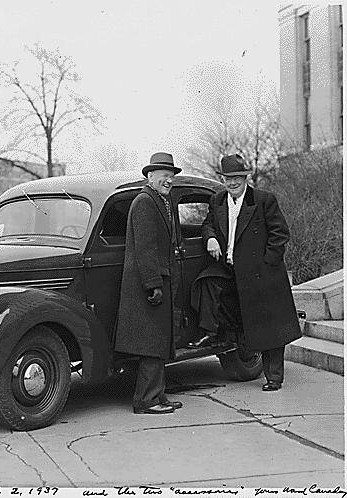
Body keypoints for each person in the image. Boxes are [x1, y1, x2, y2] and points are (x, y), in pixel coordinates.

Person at [188, 154, 302, 391]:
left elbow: (280, 234)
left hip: (261, 273)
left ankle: (274, 377)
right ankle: (211, 333)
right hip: (230, 270)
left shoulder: (263, 200)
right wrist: (210, 238)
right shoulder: (218, 200)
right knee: (207, 282)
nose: (232, 183)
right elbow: (208, 223)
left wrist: (267, 264)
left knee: (269, 327)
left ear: (245, 178)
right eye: (228, 179)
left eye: (237, 178)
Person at [114, 152, 183, 414]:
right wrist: (153, 284)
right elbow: (145, 248)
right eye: (164, 176)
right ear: (150, 176)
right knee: (152, 344)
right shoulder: (145, 202)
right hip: (148, 285)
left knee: (158, 342)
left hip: (154, 281)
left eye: (171, 176)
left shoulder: (156, 200)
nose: (169, 181)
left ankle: (158, 395)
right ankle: (146, 400)